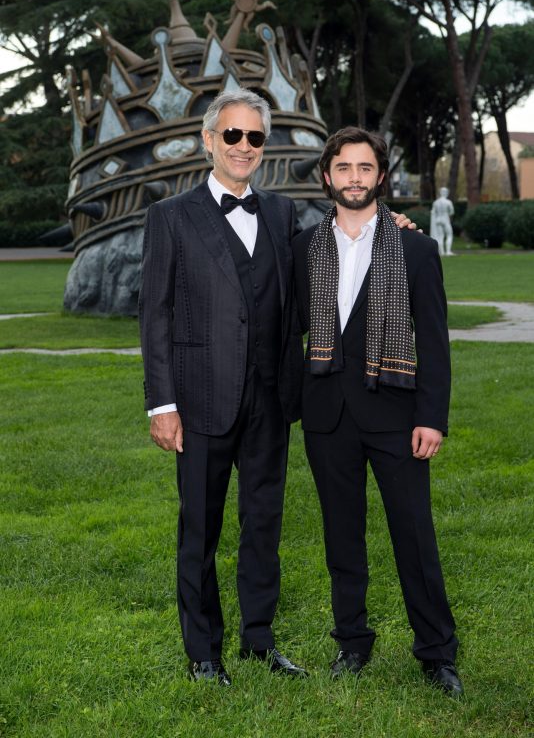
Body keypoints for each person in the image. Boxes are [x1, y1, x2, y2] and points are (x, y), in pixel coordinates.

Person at [139, 88, 307, 685]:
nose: (243, 147)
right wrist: (163, 404)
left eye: (254, 137)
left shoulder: (284, 215)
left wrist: (390, 229)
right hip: (200, 400)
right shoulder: (169, 217)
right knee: (200, 531)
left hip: (270, 401)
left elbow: (330, 258)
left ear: (264, 147)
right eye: (231, 135)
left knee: (264, 526)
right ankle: (203, 653)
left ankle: (258, 640)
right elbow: (154, 315)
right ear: (208, 141)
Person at [292, 127, 463, 696]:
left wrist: (432, 417)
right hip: (327, 416)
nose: (355, 178)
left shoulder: (414, 246)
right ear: (327, 176)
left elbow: (434, 341)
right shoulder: (304, 249)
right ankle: (351, 643)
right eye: (344, 168)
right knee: (342, 537)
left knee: (414, 534)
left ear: (381, 177)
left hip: (396, 414)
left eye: (365, 168)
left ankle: (437, 653)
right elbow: (288, 331)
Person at [430, 187, 455, 256]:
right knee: (449, 235)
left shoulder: (436, 202)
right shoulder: (448, 202)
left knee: (440, 236)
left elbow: (433, 212)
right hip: (445, 220)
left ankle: (442, 252)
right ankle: (448, 251)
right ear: (446, 193)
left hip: (438, 220)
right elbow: (452, 212)